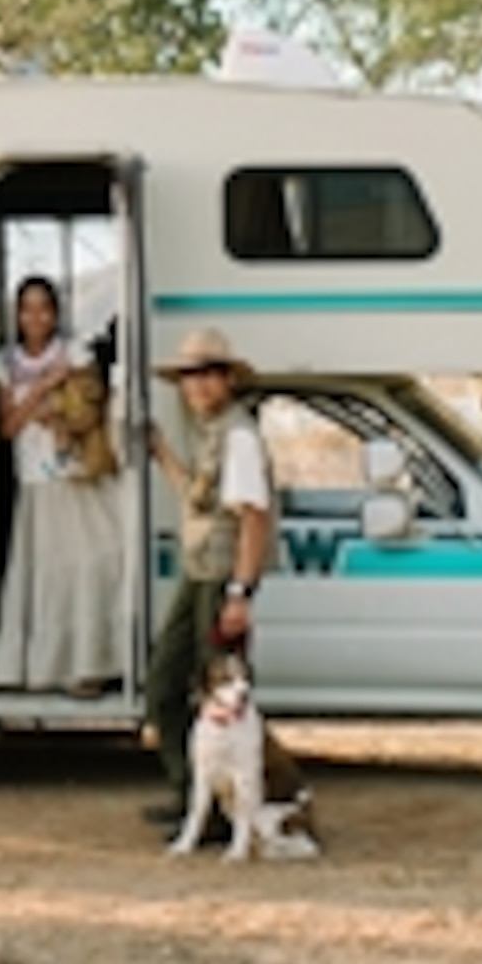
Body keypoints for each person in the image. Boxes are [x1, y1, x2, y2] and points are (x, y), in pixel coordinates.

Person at [143, 323, 309, 839]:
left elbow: (254, 519)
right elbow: (198, 495)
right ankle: (194, 792)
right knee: (170, 687)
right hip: (201, 574)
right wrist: (162, 454)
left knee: (218, 700)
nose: (197, 386)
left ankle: (224, 808)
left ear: (228, 380)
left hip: (220, 580)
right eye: (189, 377)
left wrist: (240, 592)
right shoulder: (213, 433)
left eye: (207, 375)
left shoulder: (238, 436)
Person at [0, 275, 123, 695]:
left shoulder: (75, 352)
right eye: (27, 308)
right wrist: (45, 388)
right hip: (35, 478)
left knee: (94, 563)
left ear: (56, 312)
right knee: (49, 573)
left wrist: (57, 414)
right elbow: (8, 427)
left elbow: (92, 408)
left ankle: (88, 665)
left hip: (77, 473)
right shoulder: (3, 361)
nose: (36, 317)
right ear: (16, 314)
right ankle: (47, 666)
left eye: (44, 308)